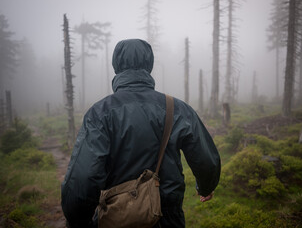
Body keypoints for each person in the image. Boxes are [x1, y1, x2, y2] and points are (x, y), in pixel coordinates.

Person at [61, 39, 221, 228]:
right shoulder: (176, 108)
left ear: (116, 65)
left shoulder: (100, 113)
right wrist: (206, 187)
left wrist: (78, 219)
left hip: (116, 215)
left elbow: (84, 177)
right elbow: (205, 158)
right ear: (149, 65)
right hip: (167, 217)